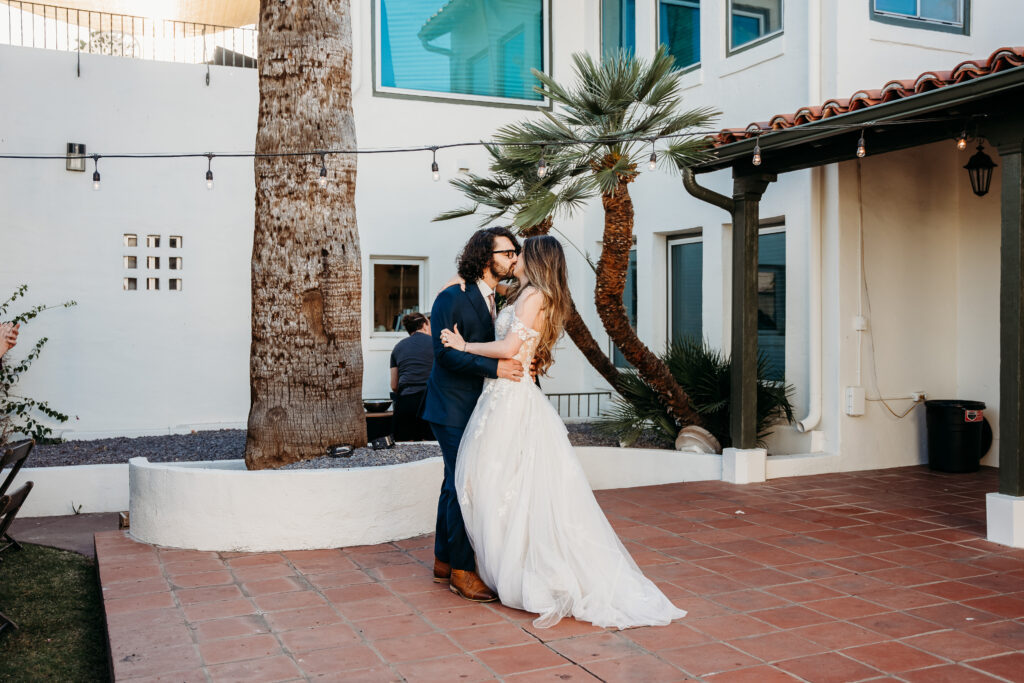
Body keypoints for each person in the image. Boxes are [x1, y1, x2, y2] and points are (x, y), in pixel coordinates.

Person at [439, 235, 687, 629]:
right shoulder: (524, 293)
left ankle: (523, 569)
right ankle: (495, 563)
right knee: (495, 482)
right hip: (501, 396)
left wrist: (464, 344)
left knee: (508, 483)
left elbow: (508, 348)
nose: (514, 258)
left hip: (512, 398)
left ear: (535, 259)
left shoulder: (535, 297)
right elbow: (484, 296)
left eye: (520, 253)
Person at [421, 227, 524, 603]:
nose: (514, 257)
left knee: (454, 481)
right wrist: (495, 370)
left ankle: (443, 561)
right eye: (507, 251)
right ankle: (463, 573)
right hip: (451, 406)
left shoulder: (496, 296)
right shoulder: (451, 297)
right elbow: (445, 354)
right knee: (464, 484)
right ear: (485, 256)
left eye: (516, 251)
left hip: (478, 406)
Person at [389, 312, 435, 441]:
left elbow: (394, 385)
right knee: (431, 447)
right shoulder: (436, 344)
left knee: (405, 447)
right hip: (431, 401)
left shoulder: (398, 347)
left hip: (406, 401)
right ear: (425, 325)